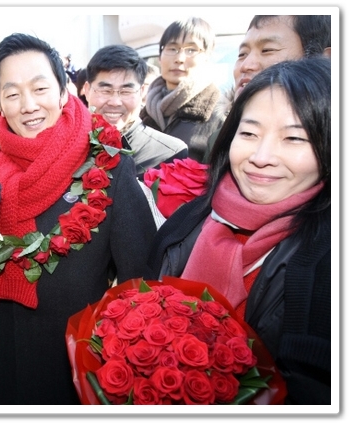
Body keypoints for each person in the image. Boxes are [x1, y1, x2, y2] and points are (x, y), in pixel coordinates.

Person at [0, 33, 157, 405]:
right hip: (4, 358)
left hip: (74, 363)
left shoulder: (107, 165)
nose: (28, 106)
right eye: (12, 94)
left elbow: (141, 277)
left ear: (63, 91)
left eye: (40, 88)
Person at [145, 57, 331, 404]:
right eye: (249, 133)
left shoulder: (328, 264)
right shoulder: (189, 219)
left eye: (293, 138)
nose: (261, 156)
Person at [202, 14, 332, 163]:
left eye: (267, 50)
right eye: (242, 54)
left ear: (326, 60)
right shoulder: (221, 138)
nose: (246, 65)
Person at [84, 44, 188, 180]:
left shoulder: (170, 154)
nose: (115, 102)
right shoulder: (68, 147)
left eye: (126, 91)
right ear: (87, 90)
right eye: (105, 91)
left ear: (142, 92)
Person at [140, 17, 225, 163]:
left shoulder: (220, 113)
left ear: (207, 57)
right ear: (160, 56)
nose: (179, 58)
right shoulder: (142, 112)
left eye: (191, 50)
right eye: (172, 49)